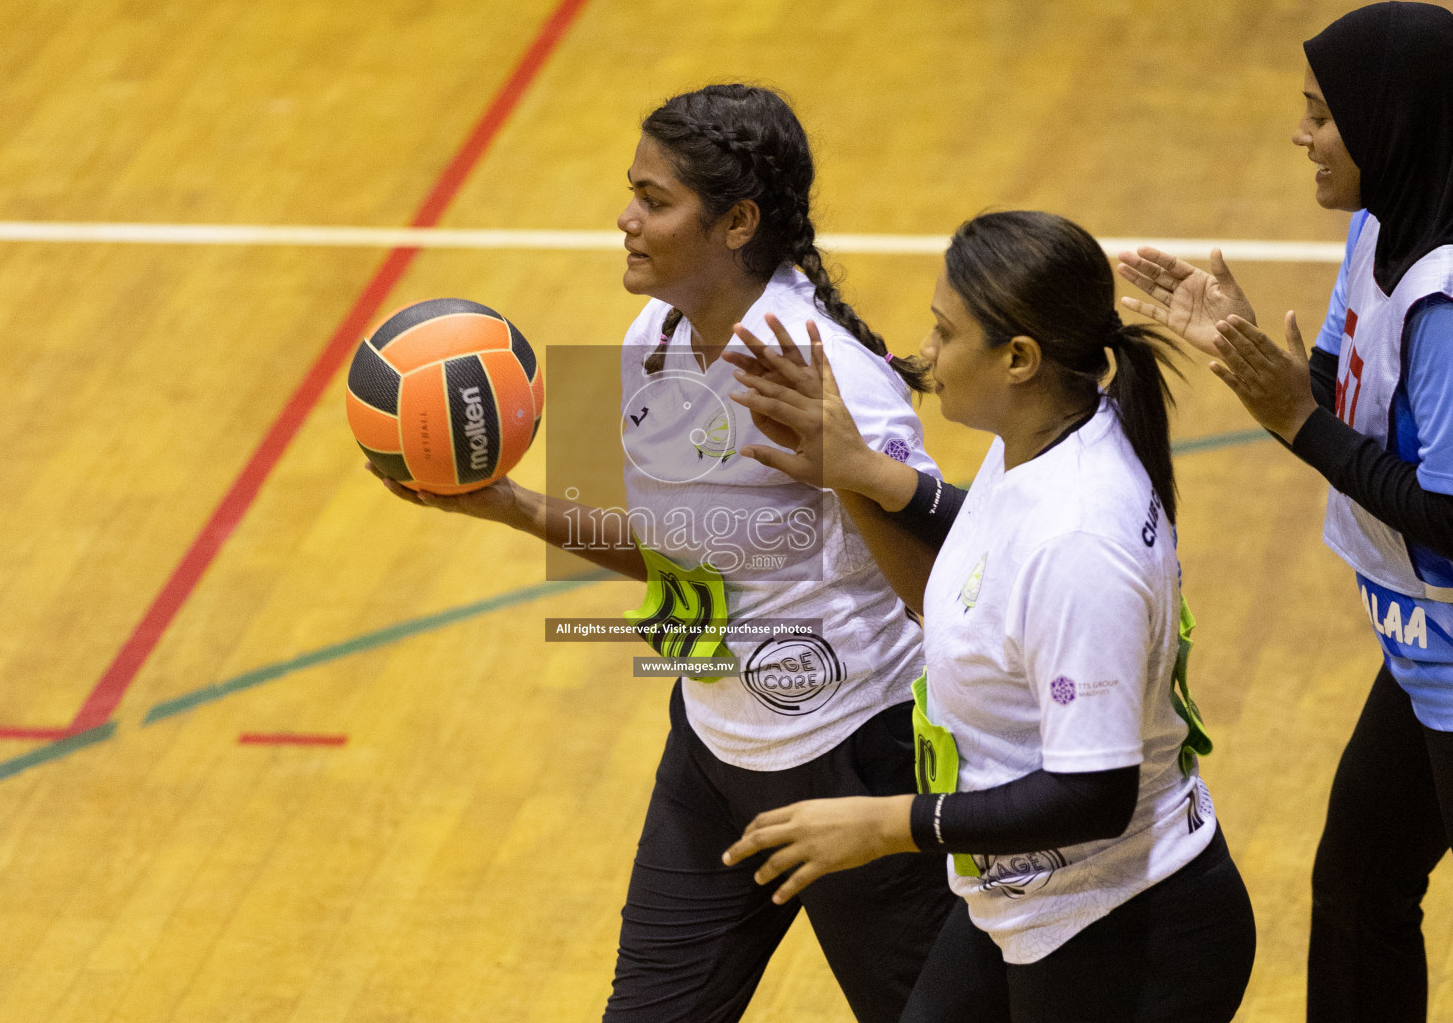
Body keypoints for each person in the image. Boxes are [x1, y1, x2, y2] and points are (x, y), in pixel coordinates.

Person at [371, 83, 955, 1022]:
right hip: (713, 754)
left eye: (654, 199)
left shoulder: (832, 382)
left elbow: (947, 595)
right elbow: (678, 558)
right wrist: (513, 506)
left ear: (736, 222)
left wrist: (847, 470)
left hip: (856, 765)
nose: (626, 218)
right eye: (631, 193)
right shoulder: (653, 334)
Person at [719, 209, 1256, 1022]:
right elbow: (998, 541)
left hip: (1126, 930)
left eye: (944, 331)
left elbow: (1093, 794)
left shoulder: (1080, 541)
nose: (924, 354)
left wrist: (889, 823)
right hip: (1034, 903)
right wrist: (863, 473)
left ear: (1018, 359)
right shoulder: (1051, 438)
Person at [1116, 4, 1453, 1020]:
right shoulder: (1381, 224)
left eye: (1321, 114)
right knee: (1358, 886)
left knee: (1363, 886)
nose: (1300, 135)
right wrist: (1241, 345)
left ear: (1389, 124)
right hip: (1421, 649)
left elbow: (1444, 508)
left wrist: (1291, 411)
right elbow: (1348, 398)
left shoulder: (1447, 299)